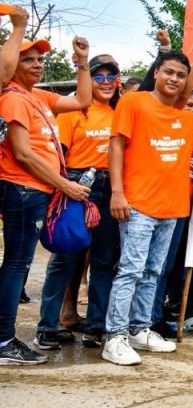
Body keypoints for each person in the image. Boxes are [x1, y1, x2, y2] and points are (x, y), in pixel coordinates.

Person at [102, 53, 193, 366]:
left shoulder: (188, 119)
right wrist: (116, 192)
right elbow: (116, 145)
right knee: (131, 269)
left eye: (181, 75)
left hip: (172, 208)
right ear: (156, 72)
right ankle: (114, 336)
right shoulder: (134, 102)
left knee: (154, 271)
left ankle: (140, 329)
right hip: (137, 204)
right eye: (168, 72)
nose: (174, 79)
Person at [0, 18, 93, 366]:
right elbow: (22, 154)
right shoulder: (12, 99)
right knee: (16, 265)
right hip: (22, 191)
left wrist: (82, 62)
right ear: (12, 65)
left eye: (40, 60)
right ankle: (5, 340)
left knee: (18, 263)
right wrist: (64, 184)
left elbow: (84, 99)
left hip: (37, 191)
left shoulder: (37, 96)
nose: (37, 64)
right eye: (28, 59)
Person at [34, 55, 122, 352]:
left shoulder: (121, 112)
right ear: (89, 80)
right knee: (65, 257)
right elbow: (57, 155)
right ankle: (47, 327)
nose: (107, 81)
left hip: (110, 187)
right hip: (76, 186)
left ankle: (96, 327)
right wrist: (62, 187)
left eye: (112, 76)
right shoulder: (73, 111)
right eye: (99, 76)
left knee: (103, 259)